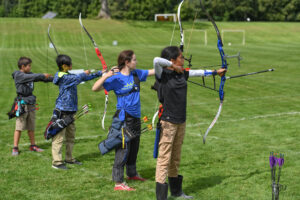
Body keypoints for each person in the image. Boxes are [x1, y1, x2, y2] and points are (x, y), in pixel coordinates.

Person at [153, 46, 226, 200]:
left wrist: (215, 72)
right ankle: (161, 197)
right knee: (164, 158)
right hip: (168, 122)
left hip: (181, 121)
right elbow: (156, 60)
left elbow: (198, 72)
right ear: (172, 60)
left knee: (176, 157)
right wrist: (172, 66)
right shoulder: (163, 74)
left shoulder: (183, 74)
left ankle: (176, 192)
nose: (183, 59)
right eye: (181, 57)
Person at [92, 50, 155, 191]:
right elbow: (95, 88)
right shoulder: (116, 78)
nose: (136, 62)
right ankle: (118, 182)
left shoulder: (136, 74)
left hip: (136, 118)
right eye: (134, 60)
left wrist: (168, 65)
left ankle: (132, 174)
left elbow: (152, 72)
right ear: (127, 62)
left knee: (134, 148)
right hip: (123, 119)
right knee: (123, 150)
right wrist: (107, 75)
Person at [51, 54, 103, 170]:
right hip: (62, 111)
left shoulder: (68, 75)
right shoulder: (63, 77)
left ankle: (69, 158)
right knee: (58, 138)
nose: (72, 66)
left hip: (71, 111)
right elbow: (79, 78)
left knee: (71, 136)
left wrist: (100, 74)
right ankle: (57, 162)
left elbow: (83, 78)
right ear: (64, 66)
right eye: (70, 64)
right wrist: (85, 73)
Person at [11, 57, 53, 156]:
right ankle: (15, 147)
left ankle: (33, 145)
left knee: (31, 125)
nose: (30, 67)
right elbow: (32, 77)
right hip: (22, 104)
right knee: (19, 126)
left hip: (31, 103)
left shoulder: (30, 74)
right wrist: (42, 75)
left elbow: (40, 78)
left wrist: (57, 78)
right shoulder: (18, 75)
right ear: (23, 66)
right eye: (29, 66)